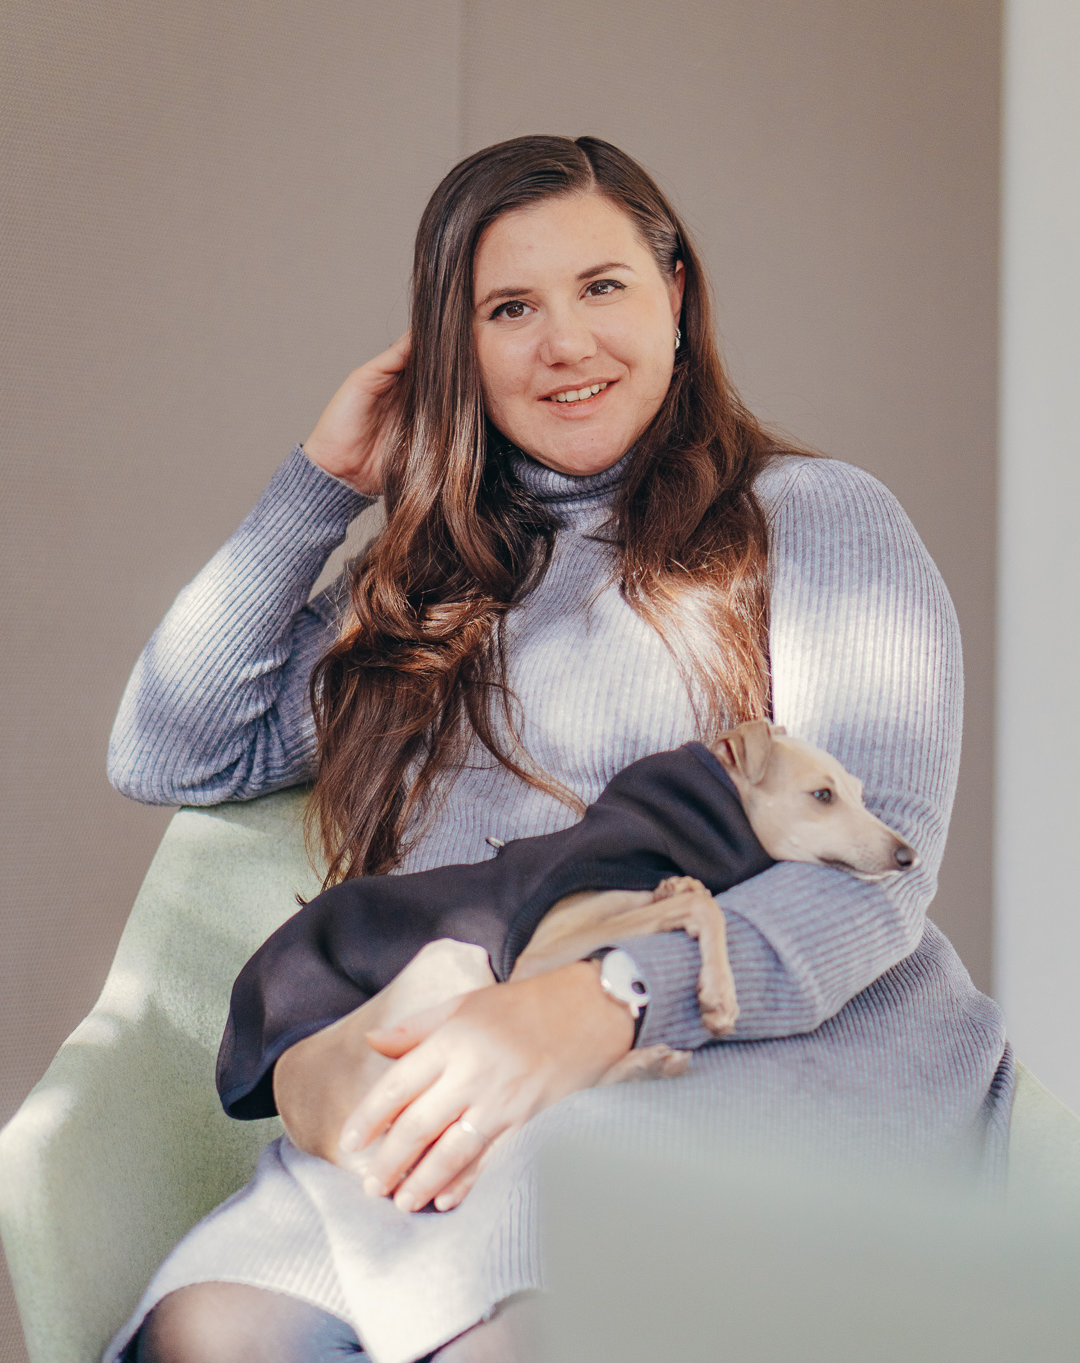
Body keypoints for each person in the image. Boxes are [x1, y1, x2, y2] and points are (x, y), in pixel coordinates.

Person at [104, 136, 1011, 1363]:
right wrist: (321, 483)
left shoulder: (815, 518)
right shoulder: (431, 587)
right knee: (218, 1331)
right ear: (456, 349)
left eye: (603, 287)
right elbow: (172, 747)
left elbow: (874, 873)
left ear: (675, 297)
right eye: (510, 309)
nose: (565, 344)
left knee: (522, 1333)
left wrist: (608, 999)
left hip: (761, 1049)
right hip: (484, 1075)